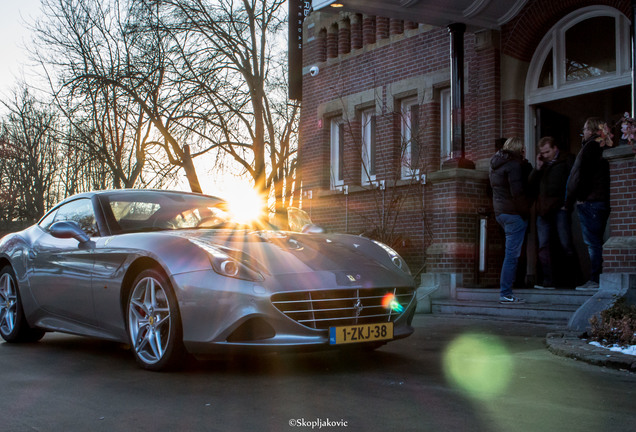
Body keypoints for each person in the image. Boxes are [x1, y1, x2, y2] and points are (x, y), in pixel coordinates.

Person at [566, 117, 611, 291]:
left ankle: (595, 279)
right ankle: (597, 278)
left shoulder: (590, 147)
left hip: (591, 202)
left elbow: (581, 175)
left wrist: (579, 197)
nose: (582, 133)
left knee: (593, 244)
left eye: (584, 129)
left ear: (591, 130)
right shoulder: (604, 147)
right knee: (597, 241)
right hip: (601, 200)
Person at [529, 136, 577, 289]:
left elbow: (573, 181)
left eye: (547, 151)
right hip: (543, 209)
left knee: (565, 243)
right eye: (542, 152)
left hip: (560, 207)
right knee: (543, 245)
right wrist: (537, 167)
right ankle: (547, 280)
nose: (545, 155)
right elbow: (530, 185)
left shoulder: (566, 160)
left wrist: (568, 203)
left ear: (555, 148)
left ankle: (572, 279)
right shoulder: (542, 165)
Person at [490, 137, 533, 304]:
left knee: (510, 254)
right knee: (511, 256)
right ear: (520, 149)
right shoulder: (514, 166)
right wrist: (525, 211)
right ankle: (506, 293)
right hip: (514, 214)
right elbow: (518, 193)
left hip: (501, 213)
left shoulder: (495, 164)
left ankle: (506, 292)